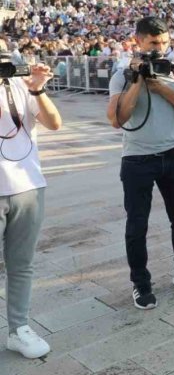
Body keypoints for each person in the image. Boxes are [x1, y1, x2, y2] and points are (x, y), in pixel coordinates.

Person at [107, 17, 174, 310]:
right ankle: (140, 283)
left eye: (164, 43)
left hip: (173, 155)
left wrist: (162, 87)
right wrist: (139, 82)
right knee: (137, 225)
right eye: (153, 43)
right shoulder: (122, 76)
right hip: (137, 160)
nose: (160, 49)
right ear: (138, 42)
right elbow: (117, 119)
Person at [1, 47, 61, 359]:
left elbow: (54, 123)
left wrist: (37, 88)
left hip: (27, 185)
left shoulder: (21, 85)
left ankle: (19, 329)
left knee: (22, 264)